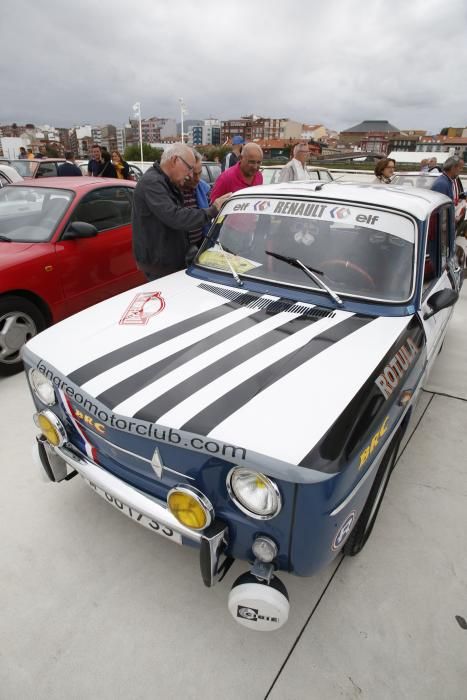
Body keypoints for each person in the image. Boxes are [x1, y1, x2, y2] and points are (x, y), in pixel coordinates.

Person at [132, 143, 231, 280]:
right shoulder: (152, 183)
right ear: (174, 160)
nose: (190, 175)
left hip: (170, 261)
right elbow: (175, 217)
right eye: (189, 168)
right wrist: (212, 210)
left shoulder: (166, 182)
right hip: (160, 265)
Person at [181, 151, 211, 249]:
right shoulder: (173, 191)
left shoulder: (204, 188)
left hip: (200, 244)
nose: (198, 179)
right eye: (194, 174)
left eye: (200, 173)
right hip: (180, 249)